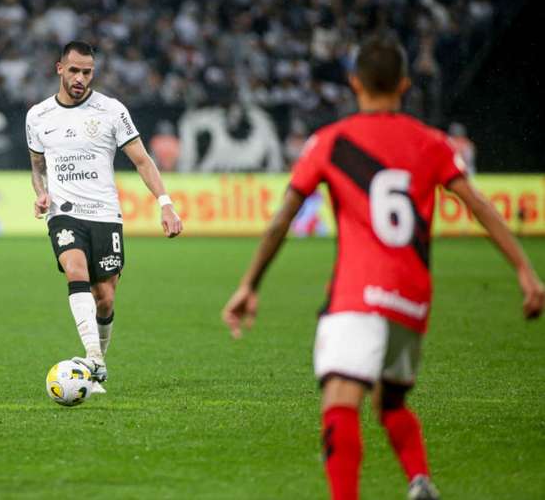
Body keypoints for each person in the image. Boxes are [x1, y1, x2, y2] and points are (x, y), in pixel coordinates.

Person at [221, 36, 544, 500]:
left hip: (357, 295)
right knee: (390, 401)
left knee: (340, 400)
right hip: (412, 297)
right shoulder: (432, 143)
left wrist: (249, 284)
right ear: (405, 85)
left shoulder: (331, 142)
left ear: (353, 83)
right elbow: (479, 206)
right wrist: (525, 271)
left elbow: (282, 220)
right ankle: (419, 480)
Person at [26, 41, 183, 392]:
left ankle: (98, 363)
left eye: (87, 72)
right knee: (75, 270)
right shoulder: (37, 116)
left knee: (105, 298)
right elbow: (37, 166)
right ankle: (93, 359)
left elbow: (142, 160)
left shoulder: (111, 111)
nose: (80, 78)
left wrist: (166, 203)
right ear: (59, 69)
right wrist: (41, 193)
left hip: (105, 214)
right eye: (74, 71)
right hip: (63, 214)